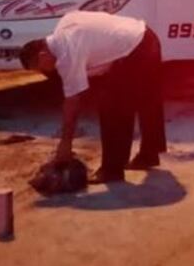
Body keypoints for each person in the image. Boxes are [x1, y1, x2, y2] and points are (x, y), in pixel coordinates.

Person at [19, 11, 166, 184]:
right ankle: (149, 154)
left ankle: (111, 171)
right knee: (146, 98)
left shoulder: (67, 53)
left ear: (42, 55)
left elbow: (73, 102)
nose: (44, 72)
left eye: (39, 67)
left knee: (112, 108)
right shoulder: (63, 28)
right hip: (146, 36)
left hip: (134, 48)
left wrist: (65, 143)